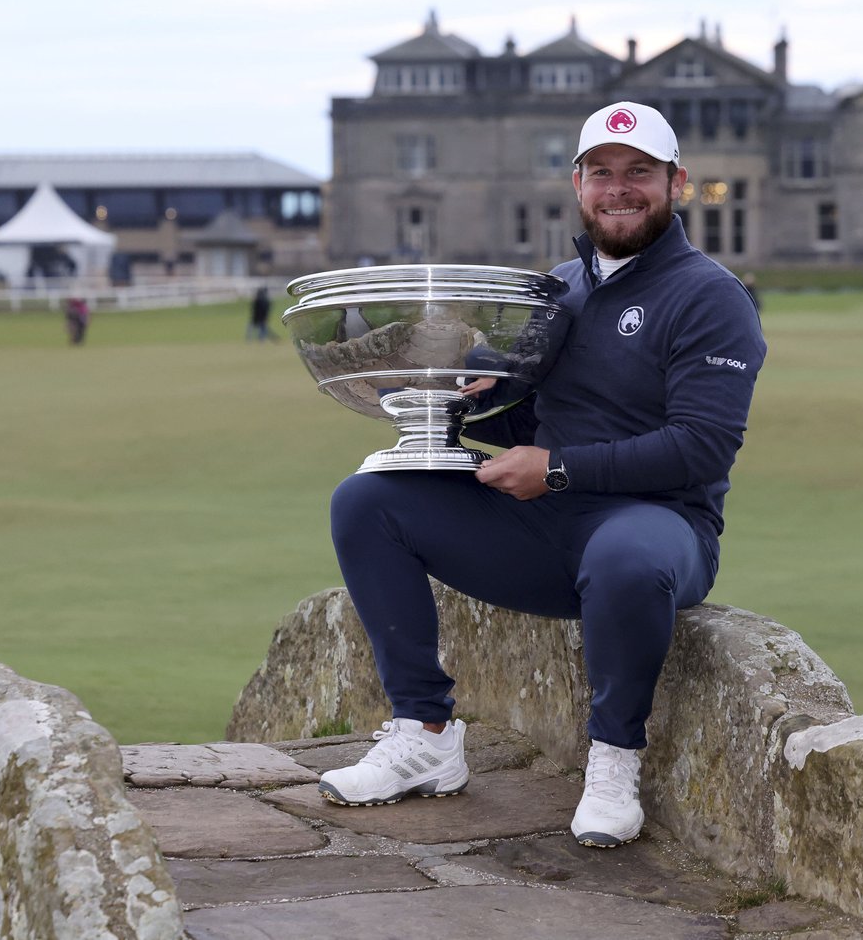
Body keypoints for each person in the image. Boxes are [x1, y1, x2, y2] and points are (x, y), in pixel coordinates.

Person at [320, 101, 766, 848]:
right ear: (578, 183)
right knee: (367, 500)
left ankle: (614, 762)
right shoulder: (561, 286)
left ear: (676, 182)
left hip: (658, 529)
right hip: (542, 530)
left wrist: (555, 470)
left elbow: (700, 448)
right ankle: (425, 733)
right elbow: (534, 421)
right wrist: (472, 402)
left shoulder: (711, 296)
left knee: (625, 558)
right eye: (602, 173)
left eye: (639, 174)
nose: (618, 189)